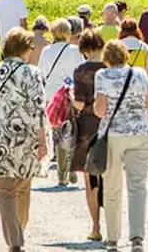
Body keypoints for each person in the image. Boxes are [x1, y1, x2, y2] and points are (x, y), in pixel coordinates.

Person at [0, 28, 47, 252]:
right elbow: (39, 108)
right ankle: (19, 234)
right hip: (27, 138)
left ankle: (15, 241)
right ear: (24, 48)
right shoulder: (33, 73)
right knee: (23, 188)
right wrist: (43, 140)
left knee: (5, 192)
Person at [94, 39, 148, 252]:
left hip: (114, 135)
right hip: (140, 133)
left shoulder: (102, 76)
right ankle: (137, 237)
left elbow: (100, 110)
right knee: (137, 186)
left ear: (106, 58)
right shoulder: (139, 74)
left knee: (112, 187)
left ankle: (112, 238)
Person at [70, 29, 108, 242]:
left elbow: (80, 102)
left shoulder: (80, 71)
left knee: (90, 179)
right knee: (109, 177)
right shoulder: (110, 69)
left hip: (87, 127)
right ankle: (112, 222)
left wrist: (68, 98)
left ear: (84, 49)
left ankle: (95, 226)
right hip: (108, 126)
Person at [40, 18, 84, 186]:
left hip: (52, 94)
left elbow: (42, 73)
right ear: (68, 33)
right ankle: (72, 167)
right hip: (70, 93)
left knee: (58, 133)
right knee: (73, 130)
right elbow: (80, 71)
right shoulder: (74, 50)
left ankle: (61, 173)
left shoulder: (46, 51)